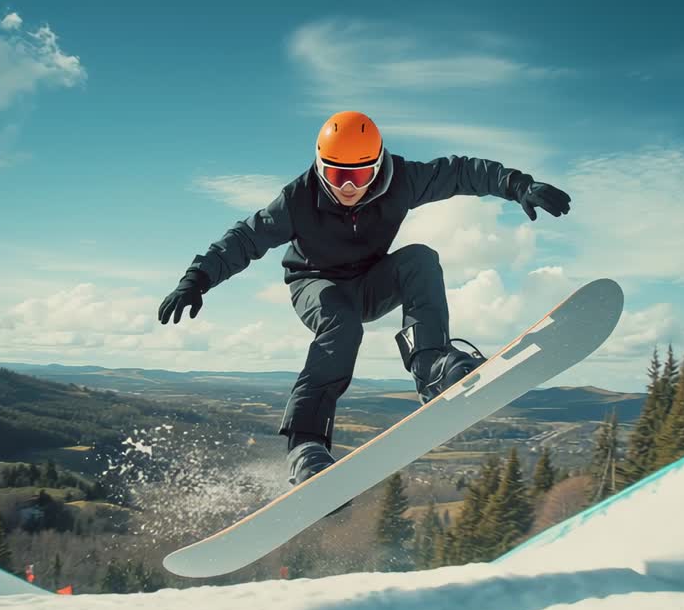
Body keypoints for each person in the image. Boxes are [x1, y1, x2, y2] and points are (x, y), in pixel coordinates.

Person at [158, 111, 571, 490]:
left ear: (377, 166)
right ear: (321, 169)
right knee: (342, 325)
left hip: (371, 282)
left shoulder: (402, 179)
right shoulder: (297, 199)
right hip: (315, 284)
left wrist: (516, 185)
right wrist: (198, 277)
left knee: (420, 260)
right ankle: (306, 445)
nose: (350, 188)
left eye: (361, 175)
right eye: (338, 178)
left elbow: (459, 172)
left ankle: (431, 365)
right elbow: (246, 238)